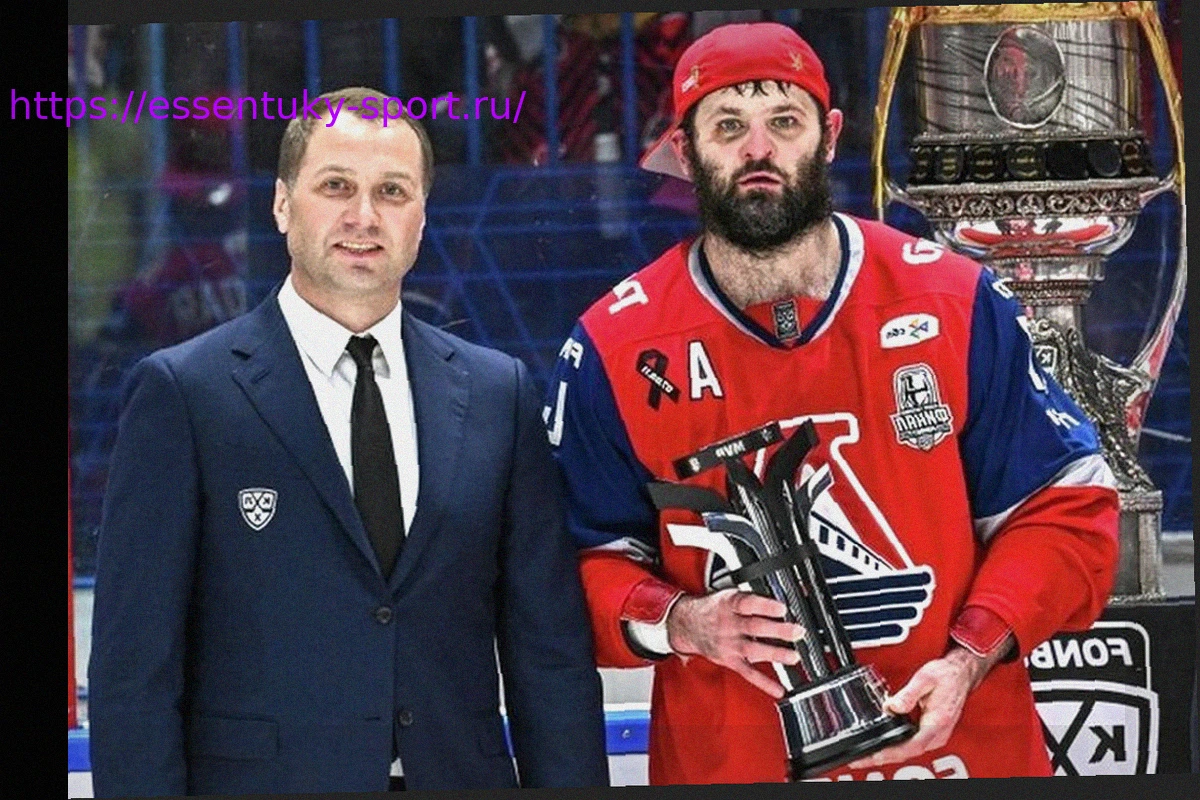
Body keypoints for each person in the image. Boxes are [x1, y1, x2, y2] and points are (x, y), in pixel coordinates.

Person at [545, 23, 1119, 784]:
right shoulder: (616, 345)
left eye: (785, 122)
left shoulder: (951, 300)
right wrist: (680, 621)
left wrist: (972, 653)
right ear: (684, 151)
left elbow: (1065, 510)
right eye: (728, 127)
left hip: (963, 757)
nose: (759, 149)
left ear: (830, 135)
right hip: (733, 766)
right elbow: (567, 567)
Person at [89, 86, 609, 796]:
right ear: (282, 204)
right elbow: (133, 671)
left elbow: (549, 657)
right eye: (336, 186)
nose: (364, 216)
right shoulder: (185, 394)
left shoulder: (500, 394)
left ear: (421, 218)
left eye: (392, 191)